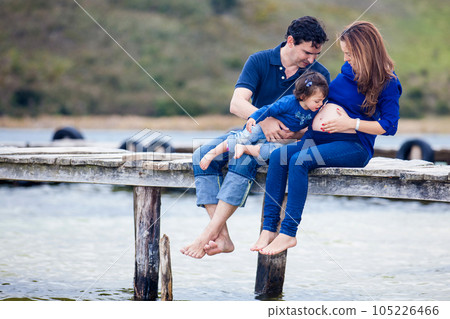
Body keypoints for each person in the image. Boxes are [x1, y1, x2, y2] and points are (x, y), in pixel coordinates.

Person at [181, 16, 330, 259]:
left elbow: (320, 121)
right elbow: (236, 103)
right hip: (254, 132)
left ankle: (206, 235)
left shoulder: (319, 75)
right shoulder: (260, 60)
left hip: (288, 144)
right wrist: (267, 120)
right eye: (307, 52)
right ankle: (224, 237)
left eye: (316, 54)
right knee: (200, 155)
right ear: (290, 41)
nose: (312, 60)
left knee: (243, 159)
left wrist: (294, 132)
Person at [251, 21, 402, 255]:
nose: (346, 60)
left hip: (354, 146)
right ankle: (269, 228)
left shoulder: (388, 83)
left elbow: (389, 126)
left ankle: (288, 233)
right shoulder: (346, 74)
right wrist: (298, 127)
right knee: (281, 155)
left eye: (350, 54)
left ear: (366, 52)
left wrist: (351, 123)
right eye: (344, 54)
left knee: (300, 161)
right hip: (317, 140)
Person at [199, 71, 328, 169]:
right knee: (243, 136)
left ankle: (244, 148)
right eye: (317, 101)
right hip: (263, 127)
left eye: (322, 100)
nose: (320, 104)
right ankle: (211, 153)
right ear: (303, 96)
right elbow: (268, 109)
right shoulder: (288, 102)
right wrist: (253, 118)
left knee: (275, 153)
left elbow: (311, 129)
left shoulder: (315, 111)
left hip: (279, 138)